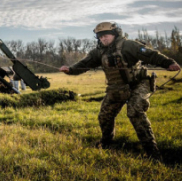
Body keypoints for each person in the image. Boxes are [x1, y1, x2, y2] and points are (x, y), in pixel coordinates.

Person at [59, 22, 180, 160]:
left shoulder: (129, 45)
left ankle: (152, 152)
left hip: (139, 84)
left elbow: (150, 55)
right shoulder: (98, 52)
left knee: (135, 112)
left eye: (106, 35)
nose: (103, 39)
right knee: (104, 115)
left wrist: (168, 63)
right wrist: (70, 70)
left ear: (115, 34)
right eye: (100, 37)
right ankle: (107, 143)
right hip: (116, 88)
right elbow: (84, 64)